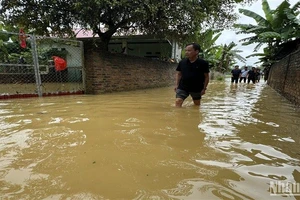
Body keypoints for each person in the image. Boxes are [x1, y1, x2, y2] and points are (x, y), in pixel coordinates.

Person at [175, 43, 210, 107]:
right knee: (178, 101)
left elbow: (206, 77)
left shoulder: (203, 63)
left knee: (196, 105)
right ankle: (178, 116)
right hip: (183, 86)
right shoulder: (182, 62)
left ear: (196, 51)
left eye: (189, 50)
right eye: (186, 50)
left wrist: (204, 89)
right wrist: (177, 85)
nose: (186, 52)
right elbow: (179, 74)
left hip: (196, 88)